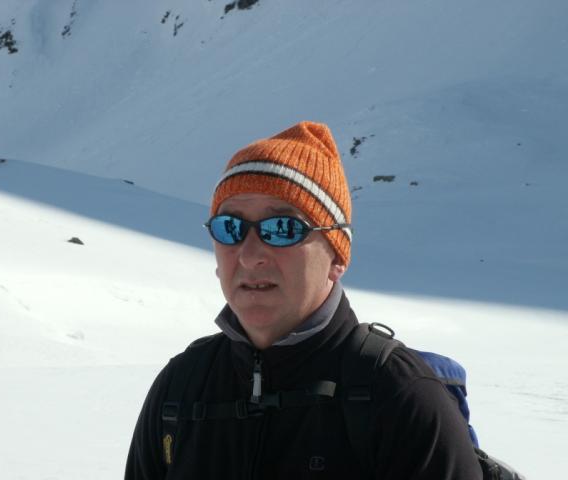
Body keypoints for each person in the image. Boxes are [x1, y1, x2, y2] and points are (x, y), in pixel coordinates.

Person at [125, 121, 482, 479]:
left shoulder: (399, 395)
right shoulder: (181, 387)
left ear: (337, 256)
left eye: (282, 228)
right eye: (230, 228)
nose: (249, 255)